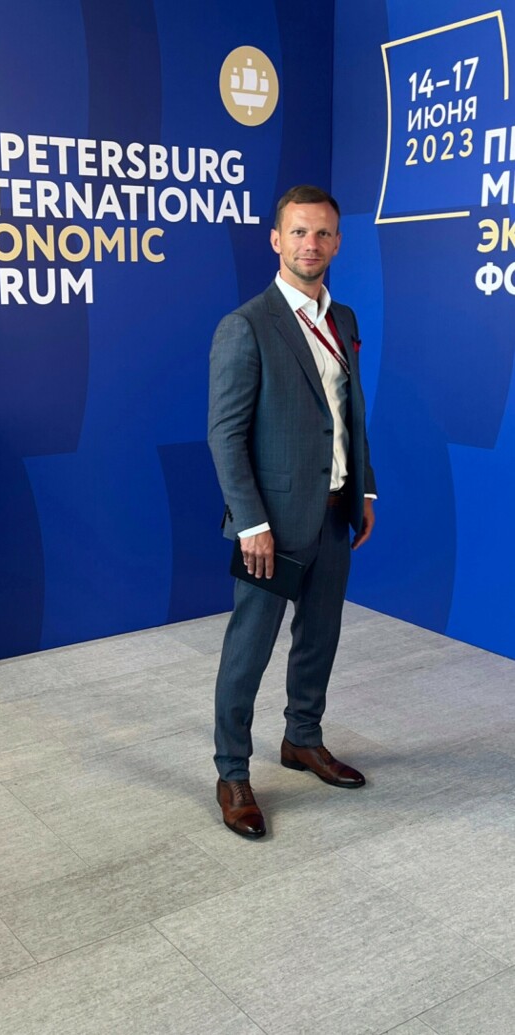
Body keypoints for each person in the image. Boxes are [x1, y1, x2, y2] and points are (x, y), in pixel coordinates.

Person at [207, 184, 377, 839]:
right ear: (276, 239)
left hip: (334, 513)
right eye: (299, 232)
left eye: (323, 233)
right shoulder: (246, 326)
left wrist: (364, 490)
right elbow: (225, 435)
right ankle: (232, 772)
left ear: (337, 242)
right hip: (271, 527)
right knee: (247, 652)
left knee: (320, 636)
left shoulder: (344, 319)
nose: (312, 244)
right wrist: (251, 522)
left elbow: (349, 414)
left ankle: (302, 738)